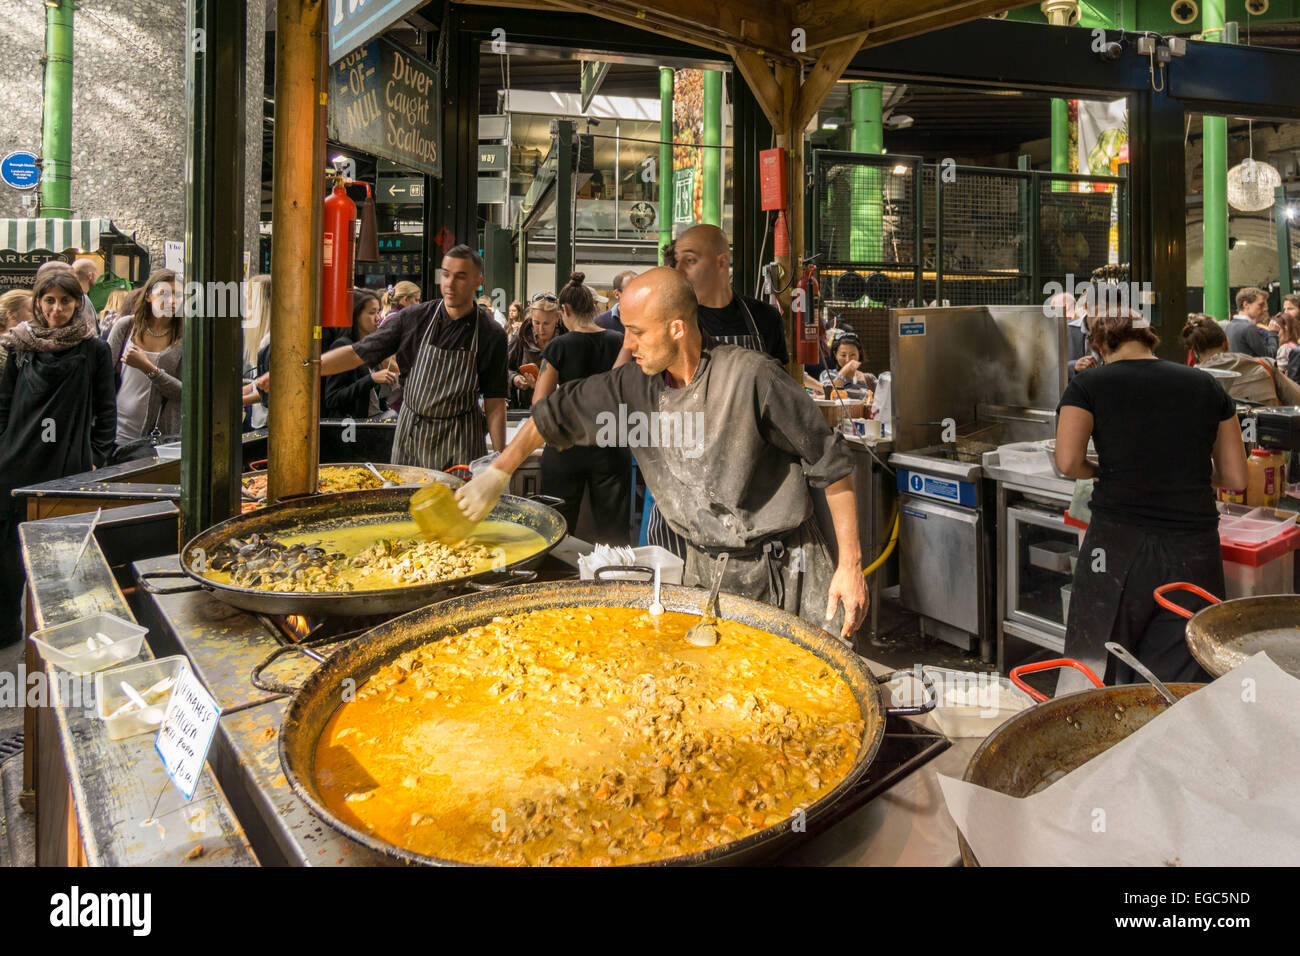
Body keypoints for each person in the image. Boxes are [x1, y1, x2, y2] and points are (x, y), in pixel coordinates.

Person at [455, 267, 869, 641]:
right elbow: (552, 414)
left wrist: (849, 566)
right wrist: (498, 473)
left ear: (677, 328)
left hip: (787, 572)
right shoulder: (632, 385)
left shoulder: (752, 377)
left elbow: (831, 464)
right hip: (706, 571)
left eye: (637, 331)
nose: (627, 343)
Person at [1054, 308, 1249, 691]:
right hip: (1192, 550)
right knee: (1184, 676)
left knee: (1100, 667)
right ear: (1150, 339)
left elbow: (1067, 461)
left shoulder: (1088, 385)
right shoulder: (1206, 385)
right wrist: (1187, 475)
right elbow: (1236, 478)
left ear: (1102, 345)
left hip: (1115, 547)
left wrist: (1099, 470)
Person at [267, 245, 506, 471]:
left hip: (460, 439)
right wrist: (301, 369)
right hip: (413, 435)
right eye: (446, 275)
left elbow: (495, 402)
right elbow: (357, 353)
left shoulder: (490, 333)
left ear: (478, 282)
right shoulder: (415, 318)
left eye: (460, 276)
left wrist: (499, 461)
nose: (450, 283)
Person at [0, 271, 116, 645]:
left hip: (68, 465)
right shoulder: (20, 346)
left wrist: (96, 457)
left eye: (65, 301)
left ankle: (61, 636)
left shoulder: (94, 350)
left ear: (78, 303)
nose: (56, 309)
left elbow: (106, 410)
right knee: (7, 556)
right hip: (16, 463)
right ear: (38, 303)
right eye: (49, 300)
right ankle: (7, 631)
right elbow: (4, 404)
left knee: (62, 556)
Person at [531, 272, 630, 543]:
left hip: (566, 446)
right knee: (614, 538)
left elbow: (539, 404)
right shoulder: (620, 341)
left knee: (557, 533)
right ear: (593, 307)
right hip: (611, 445)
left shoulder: (559, 346)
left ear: (564, 311)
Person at [671, 224, 787, 361]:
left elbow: (776, 374)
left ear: (722, 262)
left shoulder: (766, 318)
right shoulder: (674, 322)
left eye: (690, 260)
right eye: (677, 260)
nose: (678, 270)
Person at [107, 269, 183, 448]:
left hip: (160, 436)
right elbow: (102, 375)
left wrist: (148, 368)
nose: (172, 301)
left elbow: (184, 392)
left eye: (178, 295)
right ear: (148, 296)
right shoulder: (126, 326)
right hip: (117, 429)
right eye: (164, 294)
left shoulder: (185, 338)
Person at [1181, 314, 1300, 406]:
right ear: (1226, 342)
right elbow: (1296, 398)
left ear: (1194, 351)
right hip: (1268, 429)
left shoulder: (1189, 381)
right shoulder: (1264, 365)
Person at [321, 288, 397, 420]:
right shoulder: (343, 346)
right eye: (372, 313)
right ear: (356, 315)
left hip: (374, 420)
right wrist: (371, 379)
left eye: (378, 312)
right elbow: (332, 398)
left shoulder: (372, 345)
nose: (378, 318)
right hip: (351, 427)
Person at [506, 292, 564, 408]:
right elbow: (503, 368)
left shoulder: (566, 340)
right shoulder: (521, 337)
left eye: (546, 323)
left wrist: (543, 386)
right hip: (526, 407)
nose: (541, 329)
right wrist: (514, 378)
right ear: (531, 317)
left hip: (558, 407)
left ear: (557, 317)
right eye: (536, 323)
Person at [1225, 287, 1276, 358]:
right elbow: (1269, 354)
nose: (1265, 308)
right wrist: (1273, 333)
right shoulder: (1249, 328)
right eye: (1261, 305)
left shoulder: (1229, 326)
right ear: (1246, 304)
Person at [72, 257, 100, 329]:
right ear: (90, 275)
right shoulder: (82, 299)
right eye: (96, 273)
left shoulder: (73, 296)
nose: (97, 276)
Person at [1275, 311, 1300, 381]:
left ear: (1285, 328)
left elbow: (1280, 373)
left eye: (1277, 327)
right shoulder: (1295, 345)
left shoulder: (1284, 348)